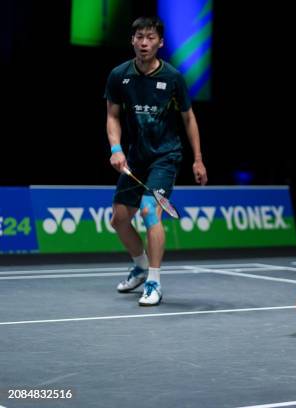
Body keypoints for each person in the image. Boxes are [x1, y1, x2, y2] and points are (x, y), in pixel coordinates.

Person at [105, 16, 208, 306]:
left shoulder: (173, 78)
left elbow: (189, 117)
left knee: (150, 210)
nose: (144, 42)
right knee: (119, 220)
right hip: (135, 157)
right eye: (139, 37)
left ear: (160, 42)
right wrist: (115, 148)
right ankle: (139, 266)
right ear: (133, 41)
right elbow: (112, 116)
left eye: (150, 37)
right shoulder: (119, 75)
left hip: (166, 155)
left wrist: (197, 159)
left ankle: (154, 281)